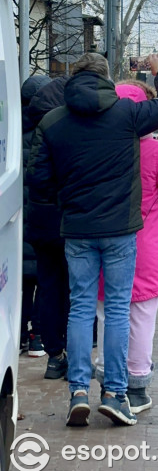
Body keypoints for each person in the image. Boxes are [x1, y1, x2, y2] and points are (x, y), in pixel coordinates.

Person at [27, 52, 158, 428]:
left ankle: (78, 391)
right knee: (116, 310)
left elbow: (39, 181)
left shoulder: (53, 122)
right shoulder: (126, 116)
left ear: (73, 79)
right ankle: (115, 393)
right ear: (107, 80)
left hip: (77, 230)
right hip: (119, 230)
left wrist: (67, 200)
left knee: (80, 308)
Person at [96, 81, 158, 413]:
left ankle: (110, 384)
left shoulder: (99, 144)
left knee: (108, 315)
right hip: (143, 249)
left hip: (102, 244)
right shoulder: (154, 152)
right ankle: (136, 390)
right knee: (140, 319)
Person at [27, 76, 70, 379]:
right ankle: (74, 349)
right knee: (75, 288)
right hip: (69, 219)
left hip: (40, 220)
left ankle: (53, 354)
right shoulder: (66, 127)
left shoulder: (28, 127)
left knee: (48, 286)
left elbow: (35, 178)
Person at [21, 74, 51, 357]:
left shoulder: (9, 130)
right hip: (42, 219)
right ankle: (37, 337)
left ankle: (16, 333)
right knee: (44, 280)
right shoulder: (50, 131)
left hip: (15, 221)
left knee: (18, 281)